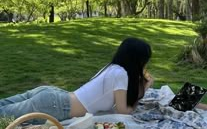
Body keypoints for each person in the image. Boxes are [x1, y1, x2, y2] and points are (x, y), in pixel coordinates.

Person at [0, 37, 153, 124]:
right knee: (3, 117)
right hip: (56, 105)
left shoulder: (112, 68)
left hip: (54, 96)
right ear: (137, 60)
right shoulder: (120, 74)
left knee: (3, 107)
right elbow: (123, 111)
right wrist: (145, 89)